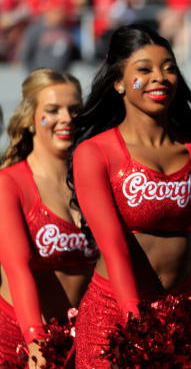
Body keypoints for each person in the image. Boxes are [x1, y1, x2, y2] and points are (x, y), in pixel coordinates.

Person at [68, 24, 191, 368]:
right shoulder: (95, 153)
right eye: (144, 70)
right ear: (119, 82)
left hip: (180, 317)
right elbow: (113, 246)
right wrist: (133, 322)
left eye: (169, 68)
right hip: (116, 316)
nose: (160, 77)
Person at [0, 69, 98, 368]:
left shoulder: (93, 179)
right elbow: (18, 269)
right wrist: (35, 340)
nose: (66, 118)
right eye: (52, 110)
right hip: (21, 345)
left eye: (74, 109)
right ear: (30, 118)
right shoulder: (10, 183)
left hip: (84, 342)